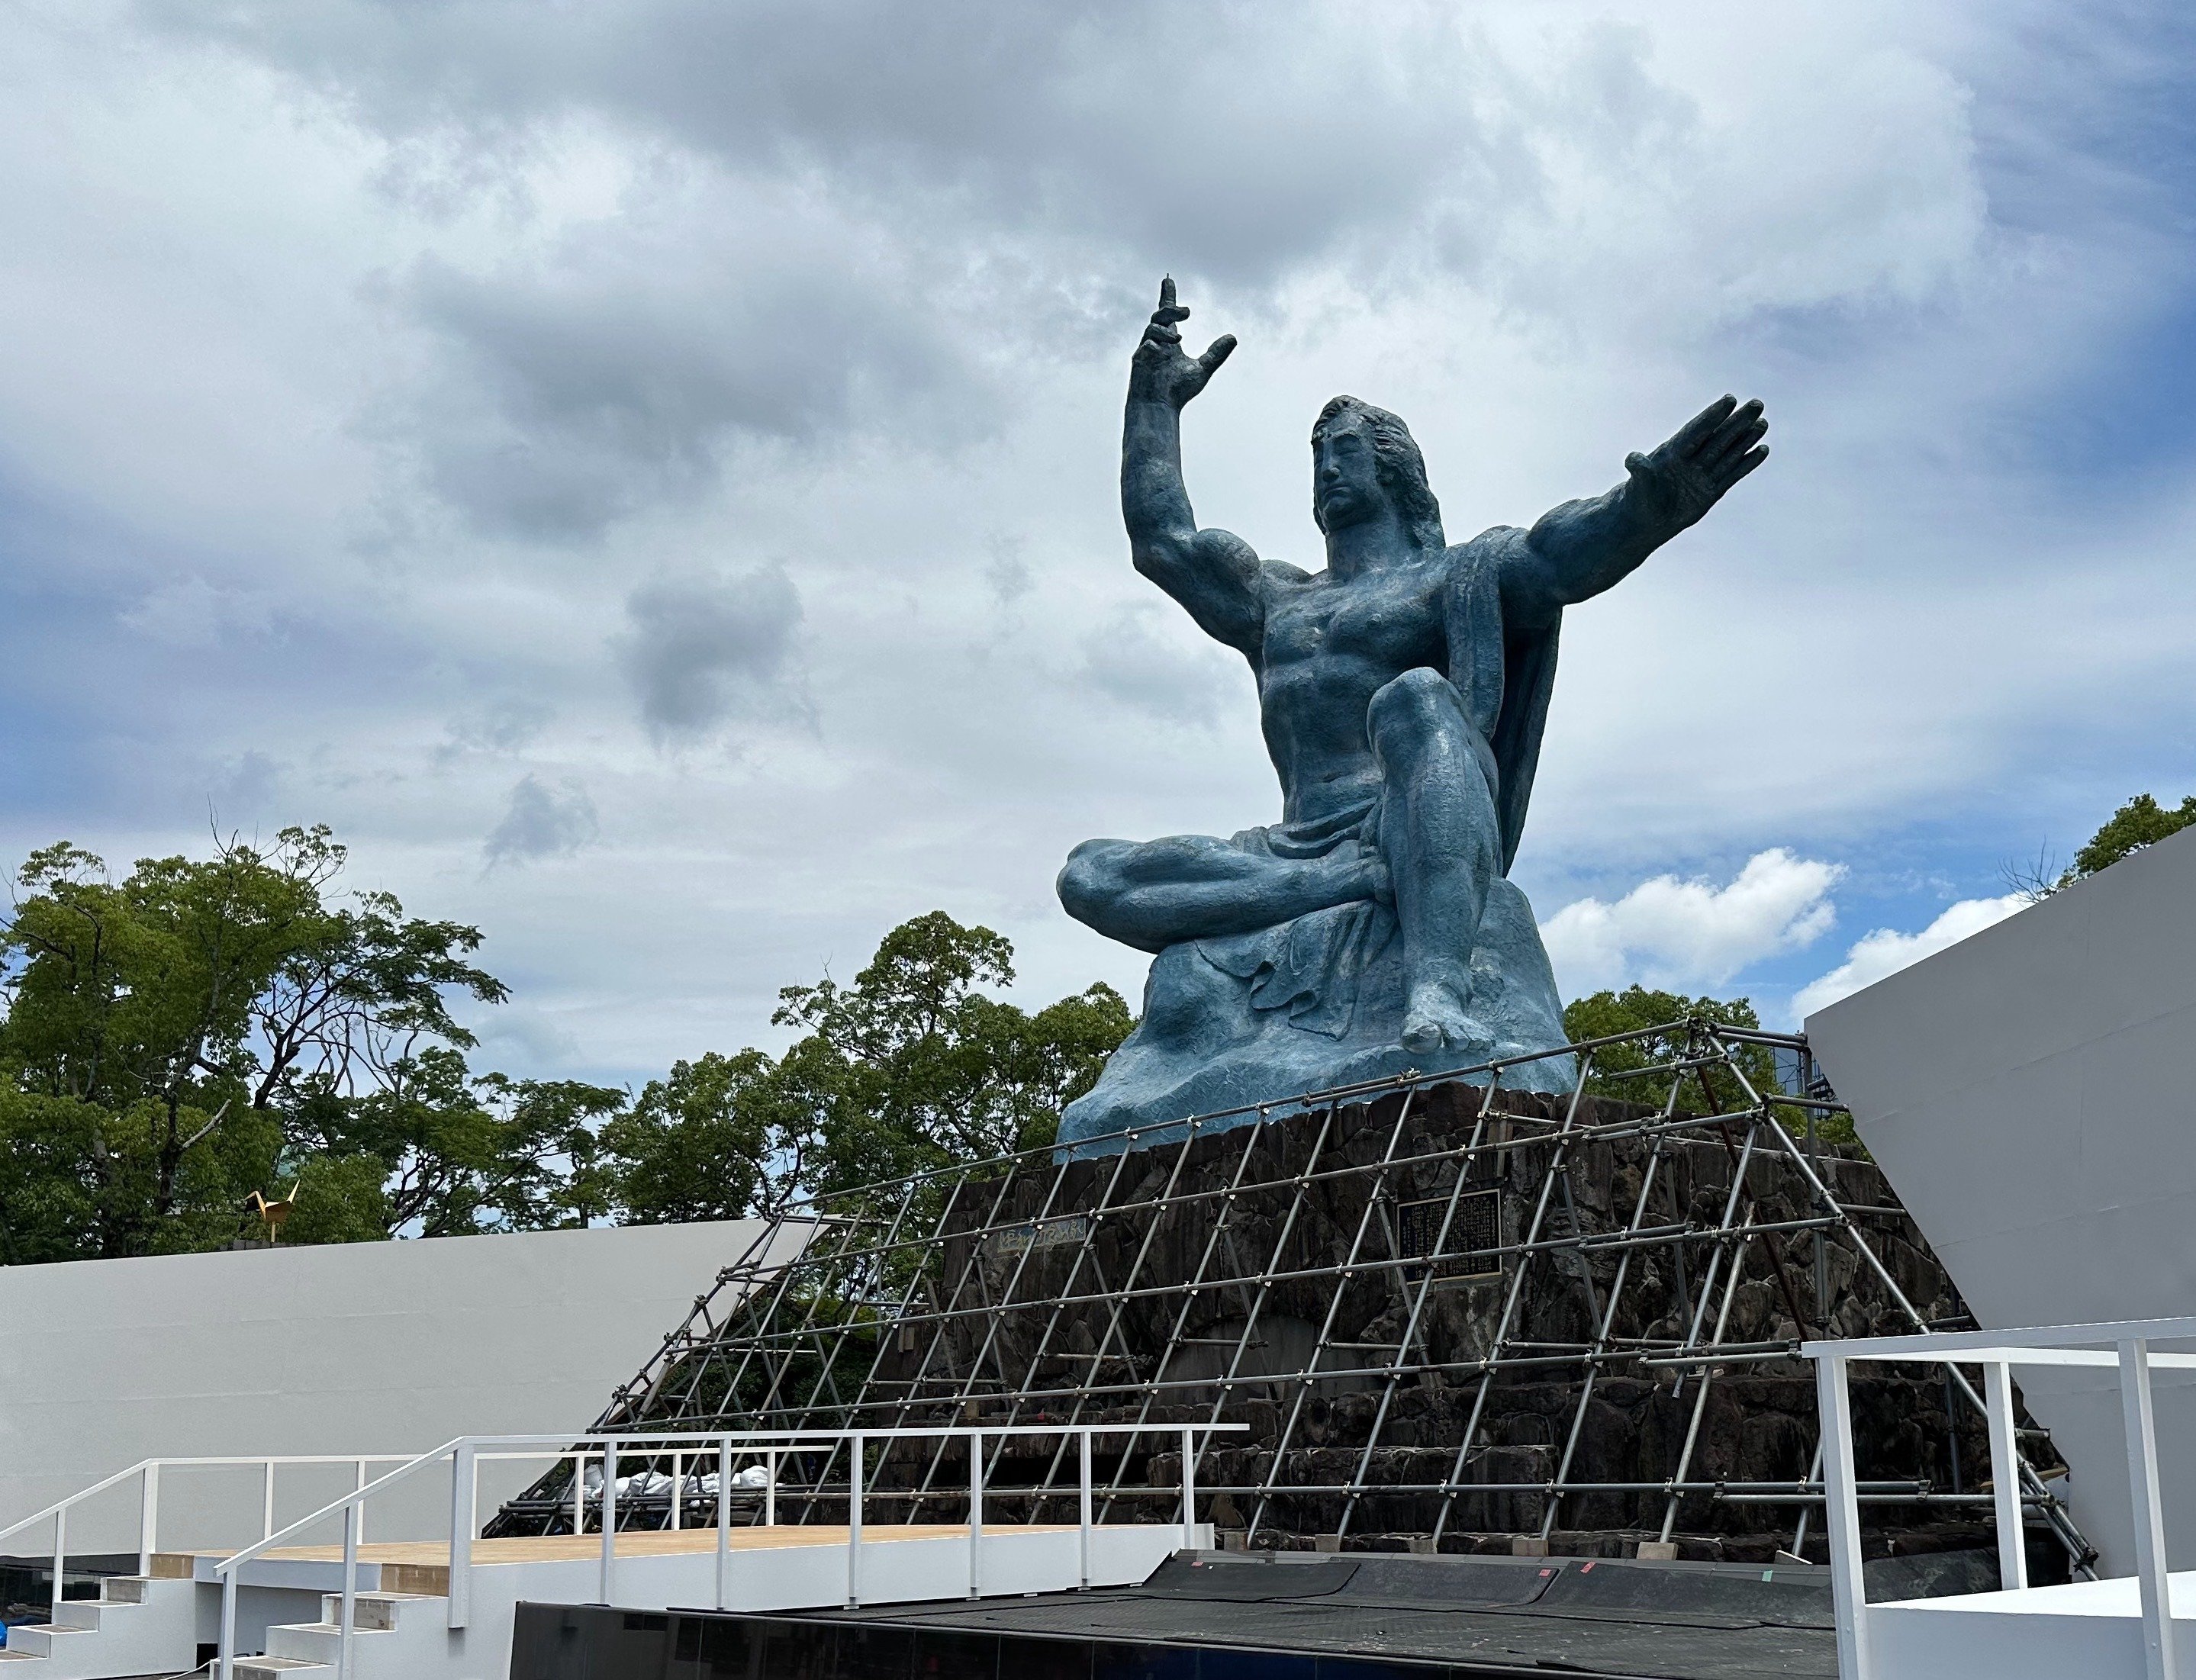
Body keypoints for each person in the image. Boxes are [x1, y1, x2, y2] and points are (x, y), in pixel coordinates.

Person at [1060, 278, 1768, 1055]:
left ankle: (1436, 985)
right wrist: (1153, 404)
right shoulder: (1274, 601)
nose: (1327, 468)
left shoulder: (1457, 576)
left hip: (1403, 818)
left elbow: (1558, 553)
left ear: (1393, 469)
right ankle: (1334, 887)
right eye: (1317, 456)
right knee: (1089, 876)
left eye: (1347, 452)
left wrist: (1648, 509)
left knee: (1417, 698)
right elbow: (1162, 541)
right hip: (1300, 846)